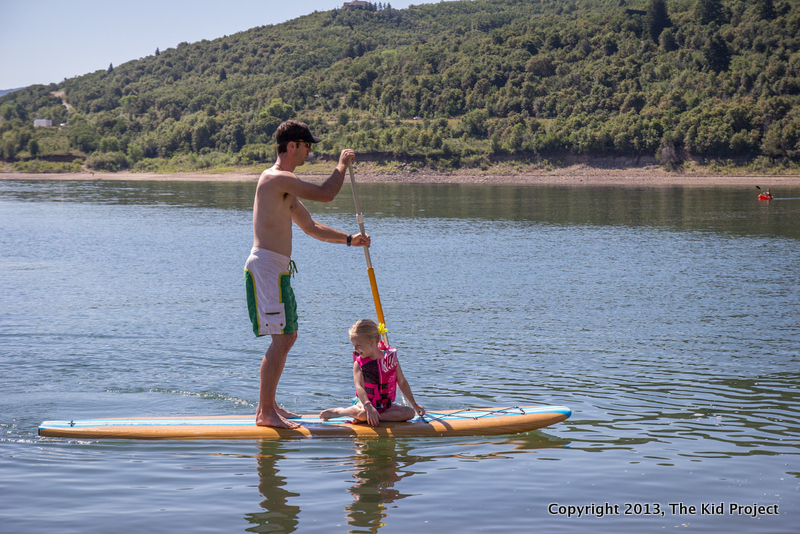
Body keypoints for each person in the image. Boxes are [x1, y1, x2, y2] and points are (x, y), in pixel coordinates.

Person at [245, 120, 370, 429]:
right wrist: (341, 166)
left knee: (288, 336)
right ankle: (265, 414)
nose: (310, 150)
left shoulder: (285, 188)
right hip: (267, 267)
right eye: (307, 145)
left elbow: (312, 228)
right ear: (292, 146)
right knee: (282, 338)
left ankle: (270, 406)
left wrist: (348, 239)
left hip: (278, 270)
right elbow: (327, 194)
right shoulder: (274, 179)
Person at [320, 319, 425, 426]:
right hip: (365, 405)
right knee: (362, 414)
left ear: (372, 343)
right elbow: (359, 387)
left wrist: (414, 404)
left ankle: (375, 417)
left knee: (410, 413)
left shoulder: (390, 359)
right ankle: (341, 412)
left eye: (358, 345)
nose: (355, 349)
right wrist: (368, 406)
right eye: (353, 345)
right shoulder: (359, 363)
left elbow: (402, 382)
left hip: (385, 406)